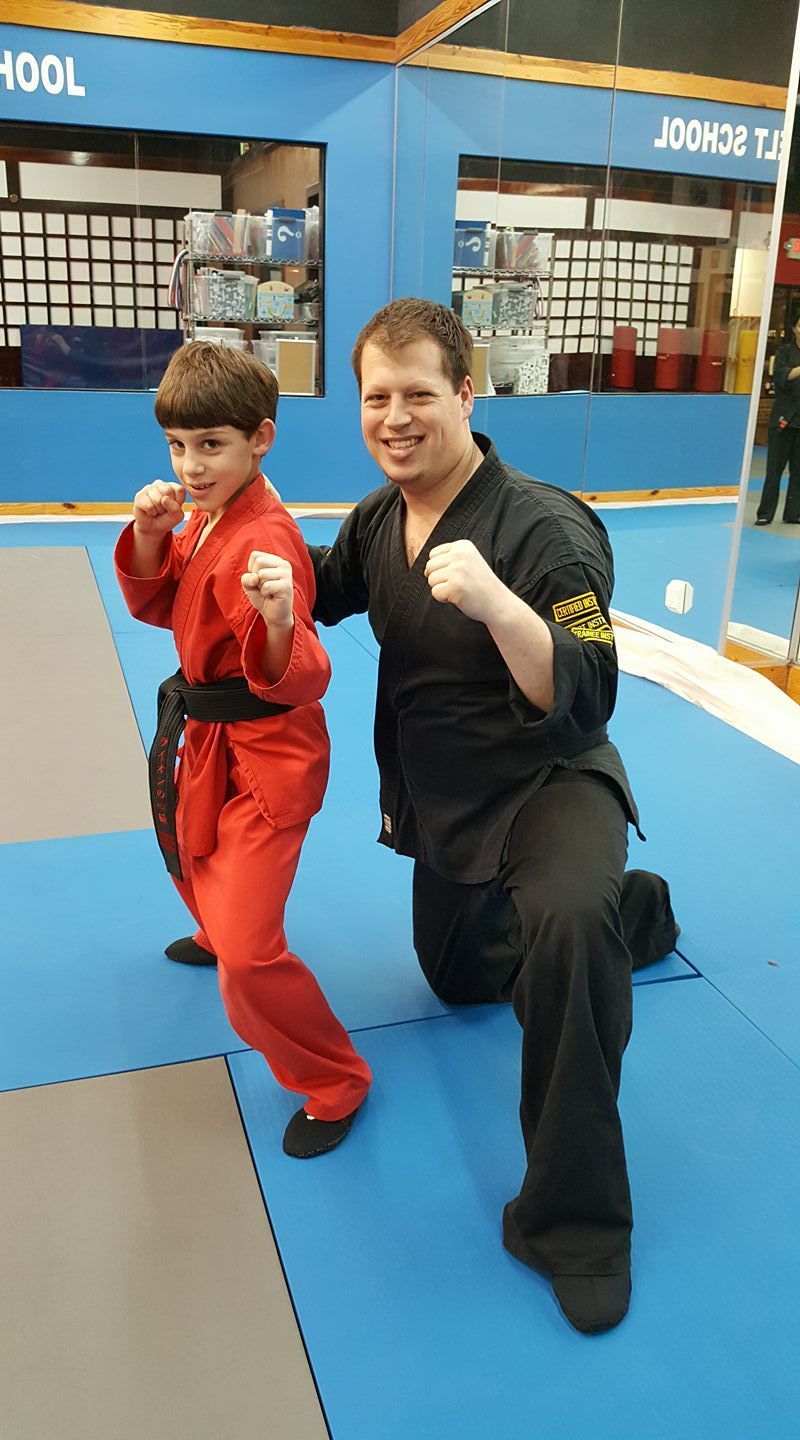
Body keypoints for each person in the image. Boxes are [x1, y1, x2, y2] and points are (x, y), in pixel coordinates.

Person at [310, 298, 678, 1333]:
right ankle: (633, 916)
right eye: (374, 397)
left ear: (465, 396)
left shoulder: (546, 533)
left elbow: (590, 692)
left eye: (417, 394)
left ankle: (576, 1226)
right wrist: (219, 532)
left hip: (549, 783)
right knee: (463, 977)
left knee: (561, 928)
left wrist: (496, 604)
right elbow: (323, 587)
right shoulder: (380, 516)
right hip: (446, 804)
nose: (393, 417)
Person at [114, 342, 371, 1158]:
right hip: (210, 738)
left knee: (253, 957)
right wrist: (153, 534)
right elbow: (168, 609)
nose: (190, 466)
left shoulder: (269, 540)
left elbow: (299, 681)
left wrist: (283, 622)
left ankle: (334, 1081)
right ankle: (215, 927)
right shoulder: (209, 515)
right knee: (188, 850)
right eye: (177, 446)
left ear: (260, 437)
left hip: (267, 753)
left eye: (211, 446)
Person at [756, 312, 800, 525]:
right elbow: (781, 377)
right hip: (783, 420)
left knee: (798, 473)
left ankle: (793, 514)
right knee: (774, 471)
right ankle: (765, 513)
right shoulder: (784, 351)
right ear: (794, 329)